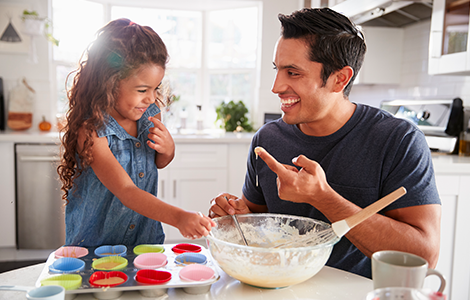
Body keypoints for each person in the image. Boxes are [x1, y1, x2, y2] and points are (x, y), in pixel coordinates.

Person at [209, 8, 441, 278]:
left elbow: (425, 255)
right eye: (278, 69)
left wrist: (322, 197)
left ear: (339, 79)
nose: (276, 86)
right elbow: (258, 219)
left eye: (293, 73)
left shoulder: (398, 141)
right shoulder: (267, 139)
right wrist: (236, 214)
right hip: (279, 288)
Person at [57, 18, 215, 248]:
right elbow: (126, 190)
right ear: (109, 83)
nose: (151, 98)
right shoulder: (91, 131)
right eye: (142, 90)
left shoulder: (149, 113)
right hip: (95, 248)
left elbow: (158, 162)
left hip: (144, 241)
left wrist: (169, 149)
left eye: (155, 88)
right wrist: (179, 217)